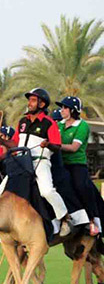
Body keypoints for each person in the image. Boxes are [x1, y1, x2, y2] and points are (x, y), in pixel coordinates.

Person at [0, 88, 88, 231]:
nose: (29, 103)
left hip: (40, 161)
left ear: (42, 104)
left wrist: (48, 144)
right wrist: (2, 142)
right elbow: (15, 144)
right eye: (29, 100)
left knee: (47, 191)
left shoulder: (49, 123)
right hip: (21, 162)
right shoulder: (22, 122)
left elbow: (57, 145)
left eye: (33, 100)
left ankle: (64, 218)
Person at [57, 96, 100, 236]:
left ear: (73, 110)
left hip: (76, 164)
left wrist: (55, 146)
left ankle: (92, 220)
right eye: (61, 107)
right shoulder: (59, 125)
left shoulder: (82, 126)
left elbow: (74, 147)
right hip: (60, 163)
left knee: (82, 187)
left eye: (64, 107)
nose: (61, 110)